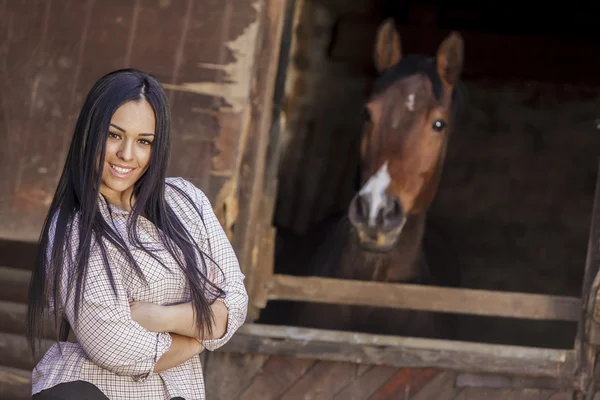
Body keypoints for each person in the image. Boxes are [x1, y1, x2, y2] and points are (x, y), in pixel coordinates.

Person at [26, 68, 249, 399]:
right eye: (114, 135)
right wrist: (198, 335)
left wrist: (156, 316)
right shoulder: (74, 225)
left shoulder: (187, 200)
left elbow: (235, 303)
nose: (127, 155)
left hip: (179, 390)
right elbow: (113, 345)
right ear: (90, 133)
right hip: (90, 389)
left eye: (144, 141)